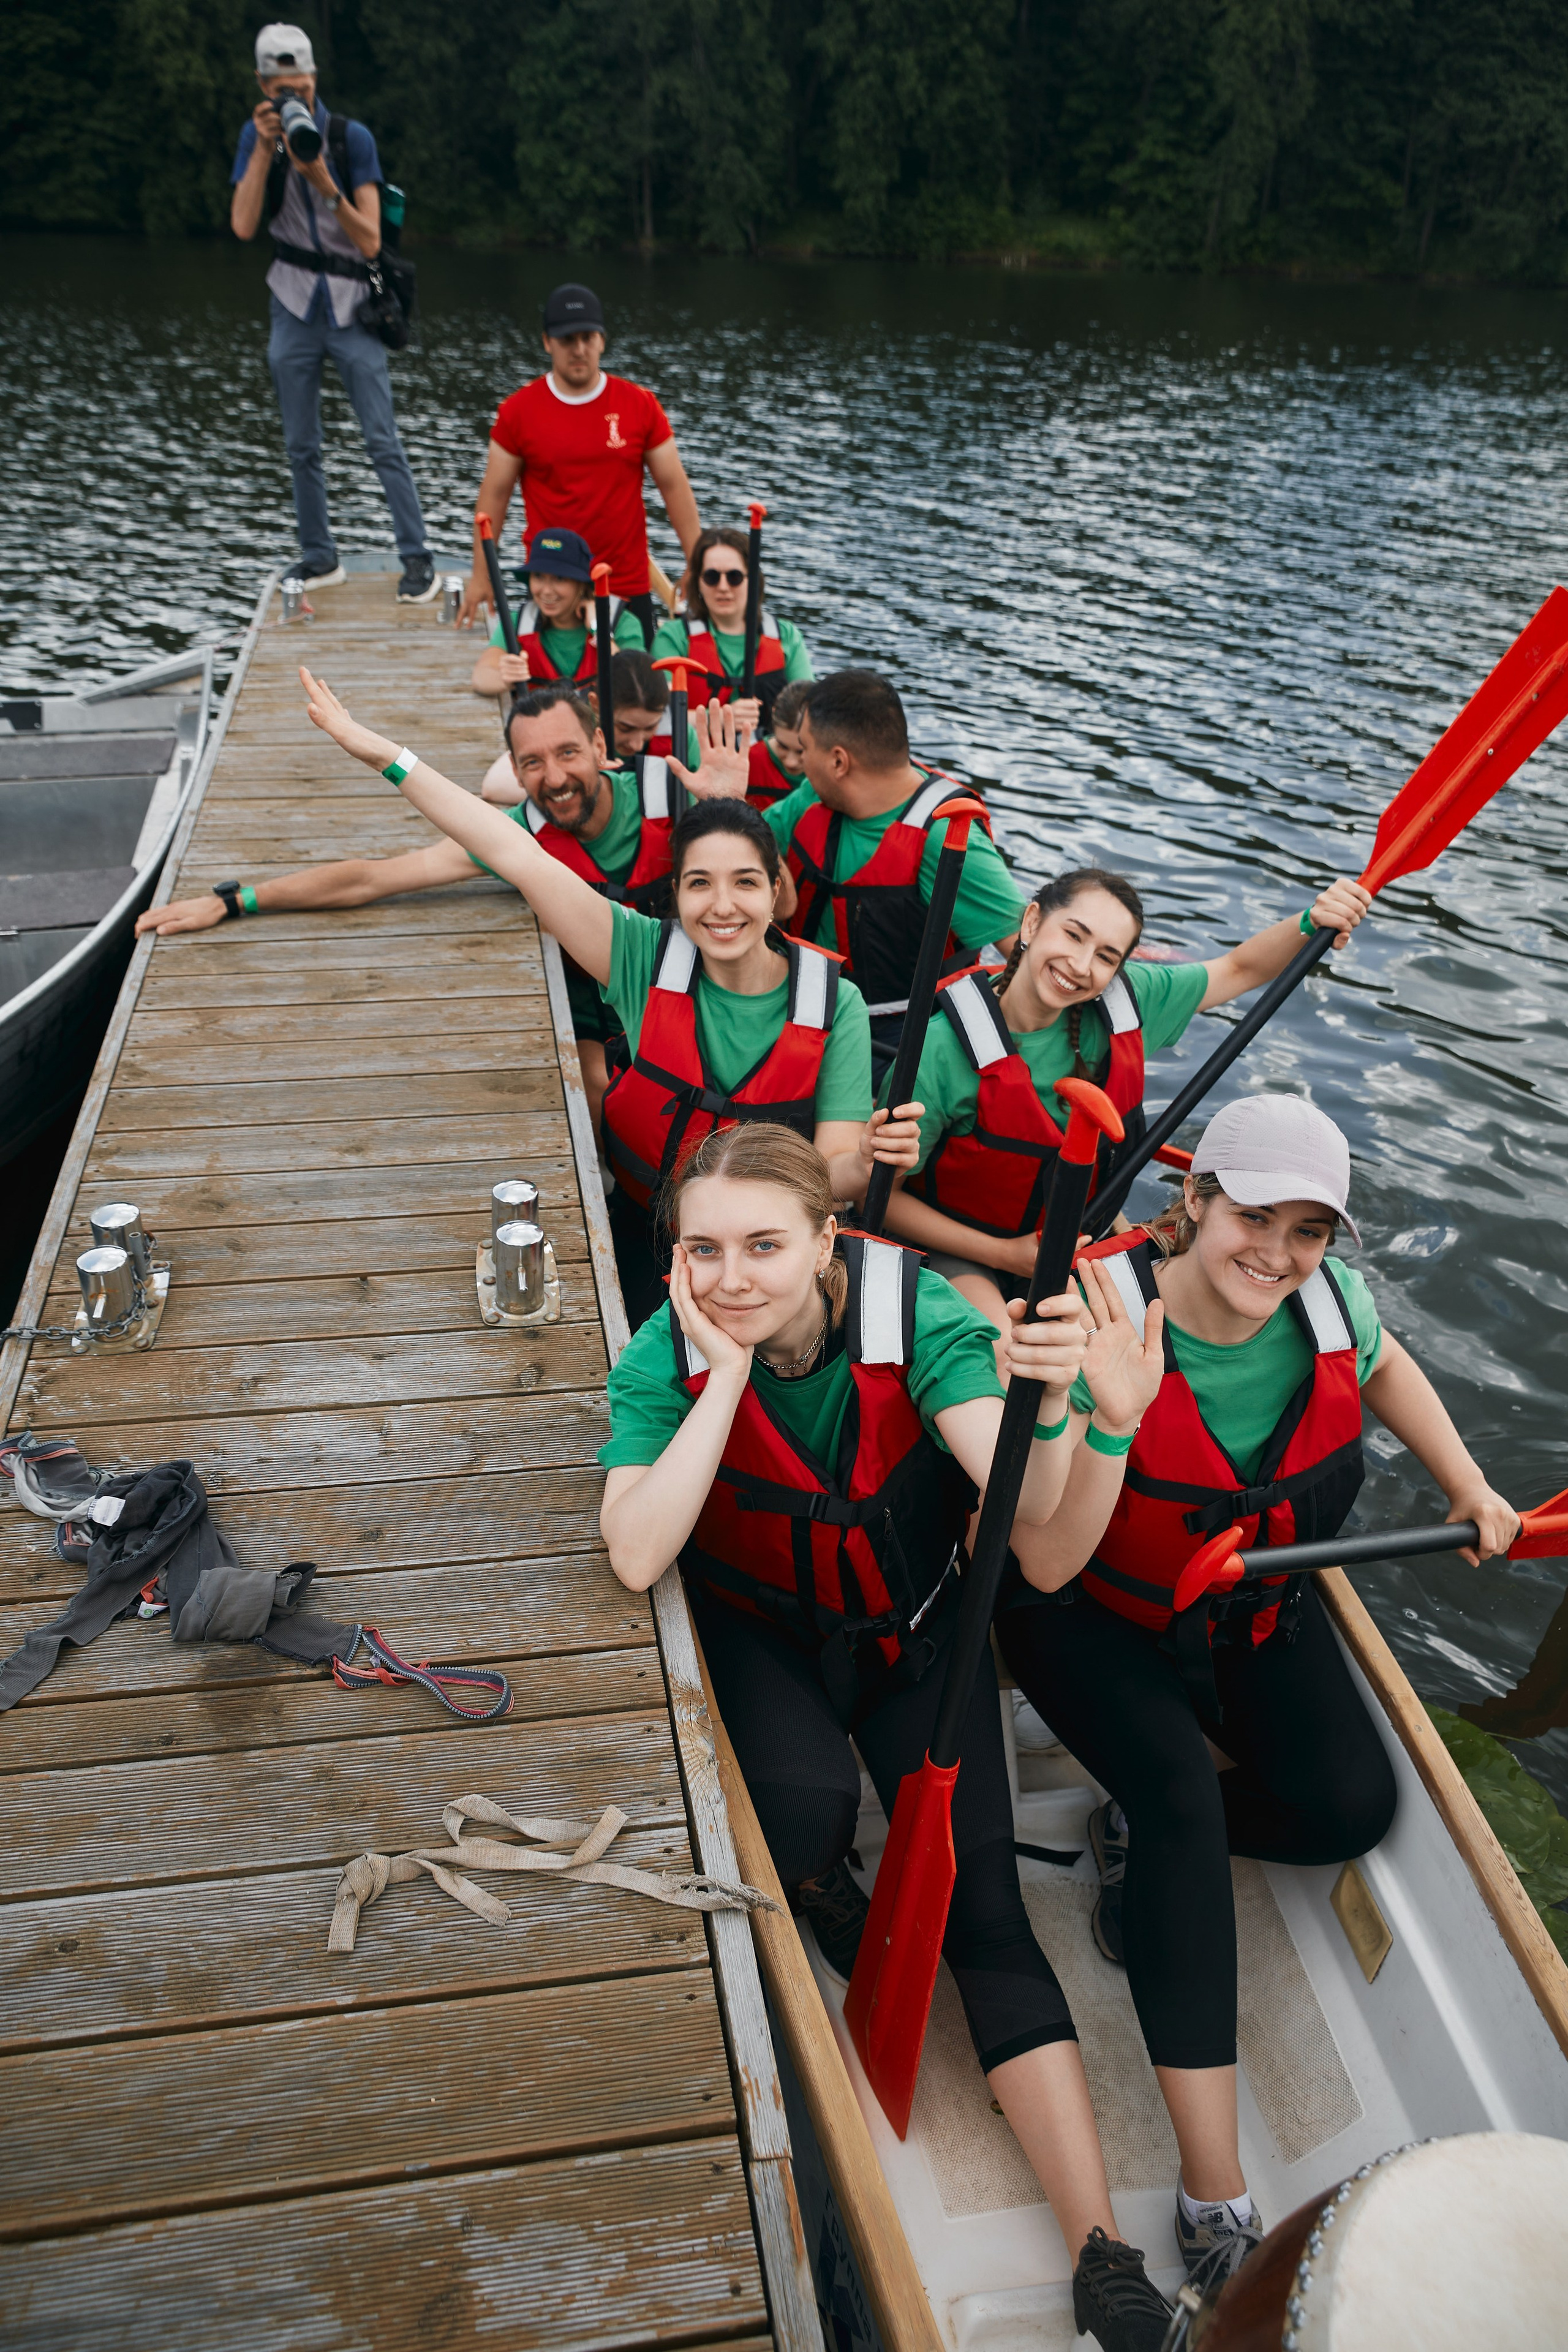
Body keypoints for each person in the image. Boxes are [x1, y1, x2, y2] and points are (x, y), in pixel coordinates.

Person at [597, 1121, 1176, 2352]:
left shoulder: (923, 1326)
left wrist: (1070, 1409)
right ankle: (817, 1875)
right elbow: (640, 1550)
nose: (731, 1276)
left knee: (983, 1918)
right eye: (702, 1249)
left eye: (764, 1244)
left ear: (827, 1244)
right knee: (802, 1812)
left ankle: (1100, 2249)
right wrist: (727, 1379)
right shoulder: (665, 1352)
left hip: (917, 1639)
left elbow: (1036, 1538)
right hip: (764, 1639)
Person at [995, 1095, 1520, 2291]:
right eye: (1252, 1217)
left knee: (1348, 1809)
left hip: (1244, 1605)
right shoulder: (1097, 1312)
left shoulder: (1330, 1304)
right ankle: (1214, 2198)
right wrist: (1115, 1423)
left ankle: (1127, 1835)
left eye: (1307, 1232)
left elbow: (1384, 1372)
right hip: (1091, 1610)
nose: (1274, 1257)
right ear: (1192, 1201)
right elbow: (1043, 1561)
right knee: (1182, 1797)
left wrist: (1466, 1485)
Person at [293, 667, 917, 1327]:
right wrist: (382, 754)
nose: (724, 905)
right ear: (675, 896)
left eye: (744, 883)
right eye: (699, 884)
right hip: (651, 1230)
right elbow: (511, 849)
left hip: (763, 1257)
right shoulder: (640, 955)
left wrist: (871, 1161)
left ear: (774, 891)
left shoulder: (834, 1004)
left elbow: (832, 1171)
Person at [135, 683, 677, 1139]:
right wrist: (236, 900)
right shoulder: (515, 833)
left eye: (567, 753)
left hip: (670, 981)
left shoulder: (668, 800)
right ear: (513, 769)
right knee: (594, 1089)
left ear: (600, 744)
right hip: (594, 998)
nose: (554, 779)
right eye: (533, 763)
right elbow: (373, 877)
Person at [879, 866, 1371, 1341]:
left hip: (1080, 1237)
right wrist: (1007, 1255)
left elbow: (1238, 969)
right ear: (1031, 923)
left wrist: (1310, 922)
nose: (1080, 965)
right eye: (1073, 935)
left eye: (1105, 956)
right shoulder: (939, 1049)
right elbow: (881, 1198)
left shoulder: (1129, 1002)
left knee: (1129, 1343)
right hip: (965, 1250)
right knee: (1012, 1352)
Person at [684, 669, 1025, 1080]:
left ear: (839, 761)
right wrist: (729, 801)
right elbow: (754, 859)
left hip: (895, 1043)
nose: (798, 763)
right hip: (806, 1010)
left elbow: (1025, 954)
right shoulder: (815, 794)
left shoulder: (945, 836)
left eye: (805, 749)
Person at [229, 23, 437, 603]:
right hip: (292, 301)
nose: (296, 100)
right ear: (263, 86)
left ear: (316, 79)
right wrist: (265, 149)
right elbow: (244, 225)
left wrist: (321, 179)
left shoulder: (351, 139)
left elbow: (371, 240)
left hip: (353, 305)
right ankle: (320, 557)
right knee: (301, 443)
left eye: (303, 88)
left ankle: (415, 557)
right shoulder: (257, 135)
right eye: (282, 91)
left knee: (381, 437)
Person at [459, 283, 699, 649]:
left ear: (602, 340)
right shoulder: (518, 413)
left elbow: (674, 486)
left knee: (634, 700)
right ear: (547, 342)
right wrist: (481, 576)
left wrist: (696, 561)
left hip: (626, 587)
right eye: (568, 339)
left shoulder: (641, 406)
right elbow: (493, 498)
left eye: (588, 337)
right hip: (552, 590)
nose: (579, 349)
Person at [651, 525, 814, 736]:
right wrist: (717, 719)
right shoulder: (673, 638)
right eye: (712, 577)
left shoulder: (788, 637)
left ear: (753, 580)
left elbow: (812, 714)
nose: (723, 587)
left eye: (734, 577)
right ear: (698, 583)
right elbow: (656, 719)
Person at [478, 652, 692, 804]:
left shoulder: (682, 735)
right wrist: (595, 779)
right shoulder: (569, 723)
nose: (637, 744)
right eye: (625, 728)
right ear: (595, 704)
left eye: (650, 728)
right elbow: (493, 787)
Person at [469, 527, 649, 703]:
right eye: (539, 576)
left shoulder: (625, 623)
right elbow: (481, 678)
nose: (546, 591)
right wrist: (506, 677)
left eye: (560, 578)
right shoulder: (516, 623)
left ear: (581, 584)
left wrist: (598, 630)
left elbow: (637, 687)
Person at [746, 678, 810, 809]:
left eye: (801, 751)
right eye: (782, 746)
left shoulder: (842, 775)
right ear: (773, 714)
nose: (790, 762)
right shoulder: (747, 761)